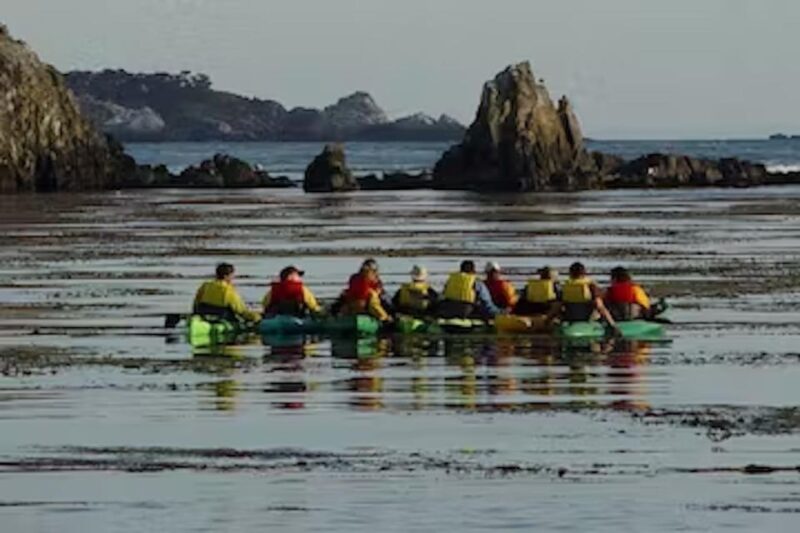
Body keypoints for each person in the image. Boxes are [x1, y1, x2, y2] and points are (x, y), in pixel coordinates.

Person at [193, 263, 261, 323]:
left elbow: (196, 302)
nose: (233, 277)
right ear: (226, 276)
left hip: (203, 313)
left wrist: (195, 314)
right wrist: (256, 317)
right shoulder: (228, 290)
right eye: (232, 275)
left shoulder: (205, 285)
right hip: (221, 317)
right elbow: (241, 310)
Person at [437, 260, 502, 319]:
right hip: (465, 311)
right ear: (473, 271)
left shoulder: (451, 279)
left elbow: (443, 295)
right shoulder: (476, 282)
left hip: (447, 310)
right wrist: (500, 312)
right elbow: (487, 304)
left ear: (460, 270)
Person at [561, 262, 617, 328]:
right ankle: (612, 325)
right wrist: (613, 325)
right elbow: (600, 306)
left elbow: (558, 305)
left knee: (560, 303)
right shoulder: (590, 285)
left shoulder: (565, 286)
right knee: (599, 302)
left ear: (570, 273)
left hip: (571, 317)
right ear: (584, 273)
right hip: (588, 318)